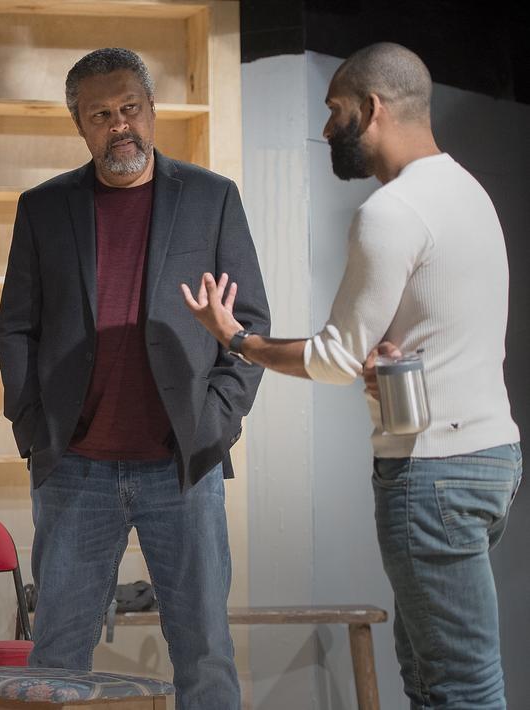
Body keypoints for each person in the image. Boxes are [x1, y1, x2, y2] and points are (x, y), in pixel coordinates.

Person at [183, 43, 521, 709]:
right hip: (491, 460)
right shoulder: (469, 193)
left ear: (372, 109)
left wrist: (239, 339)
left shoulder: (390, 213)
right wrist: (389, 358)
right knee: (429, 674)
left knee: (459, 684)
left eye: (336, 111)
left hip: (434, 473)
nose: (328, 129)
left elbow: (337, 358)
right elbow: (442, 329)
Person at [0, 48, 270, 709]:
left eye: (131, 109)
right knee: (57, 652)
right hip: (74, 469)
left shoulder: (211, 198)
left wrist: (218, 421)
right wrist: (34, 429)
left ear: (152, 110)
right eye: (101, 115)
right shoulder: (44, 207)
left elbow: (250, 326)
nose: (120, 126)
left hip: (183, 464)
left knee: (204, 651)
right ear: (79, 125)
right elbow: (15, 329)